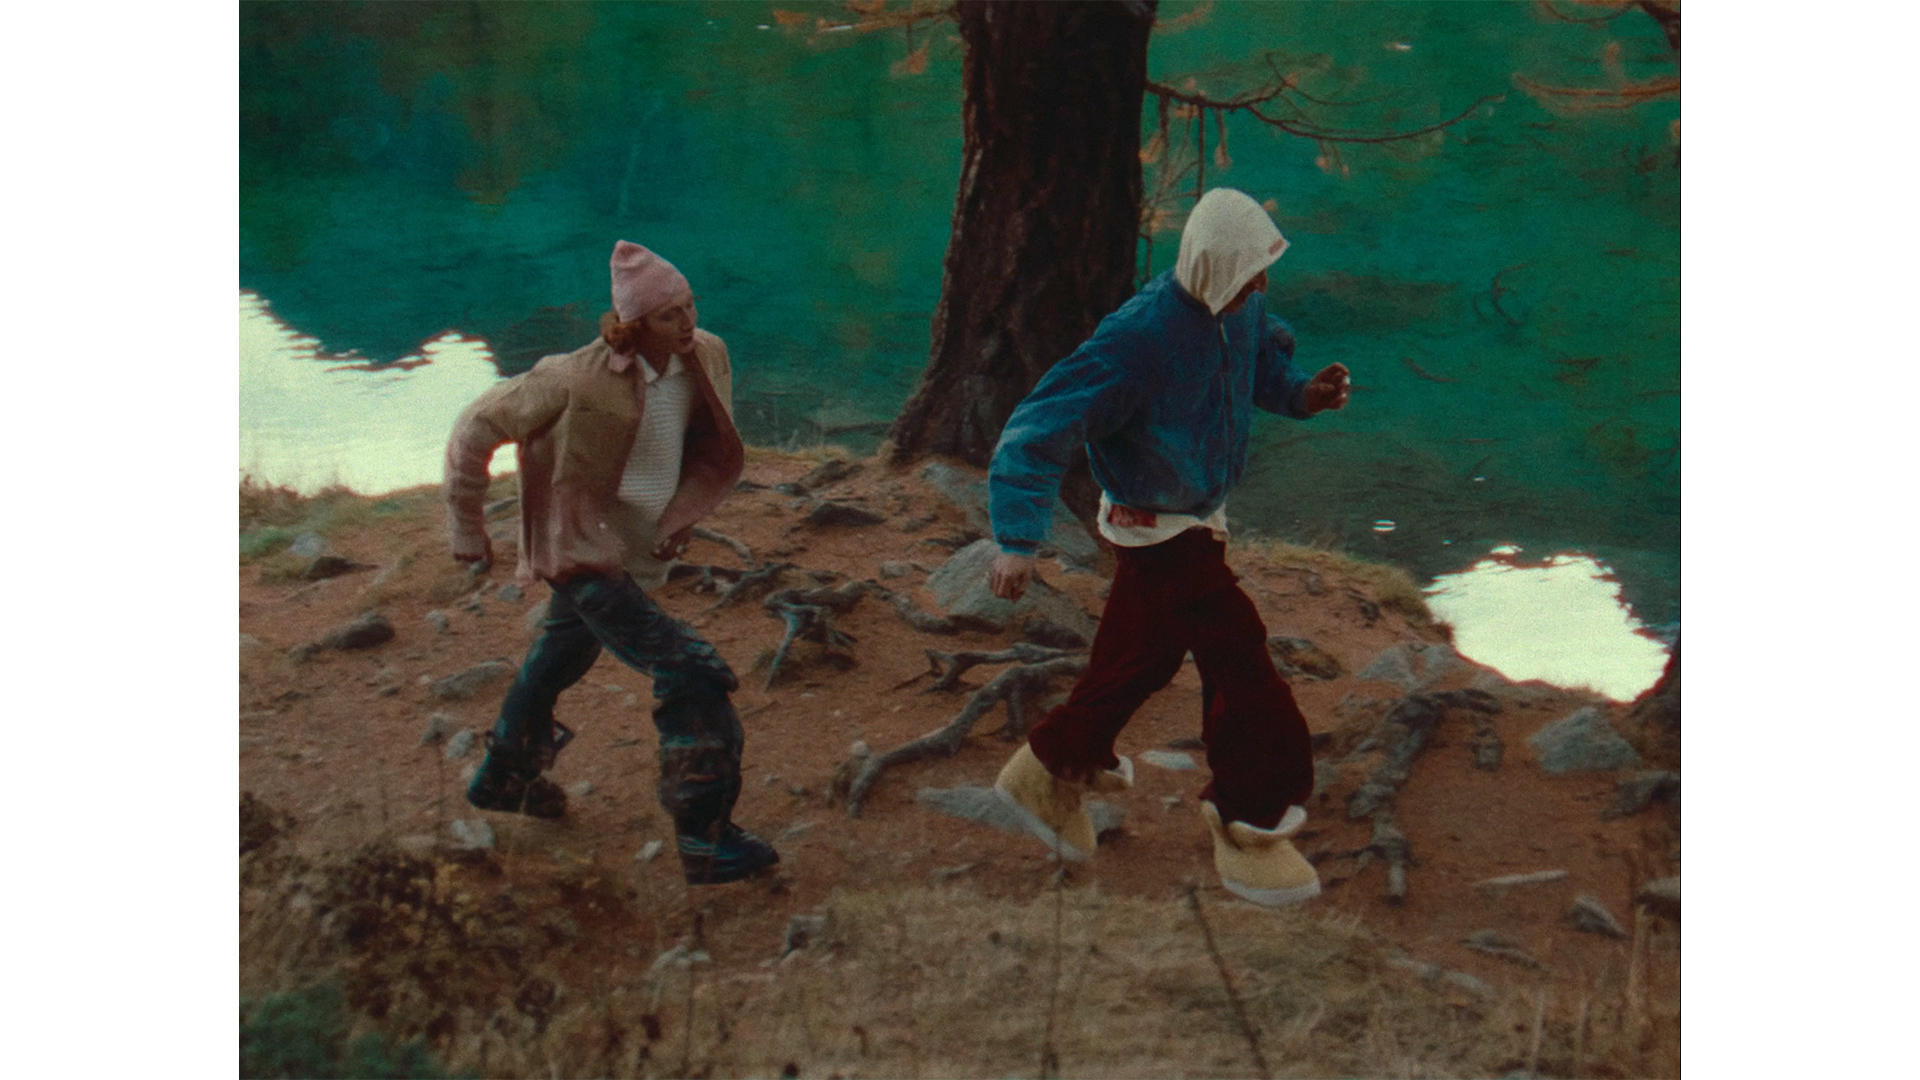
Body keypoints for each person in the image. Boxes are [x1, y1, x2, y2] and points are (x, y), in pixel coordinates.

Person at [985, 188, 1351, 907]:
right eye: (1248, 271)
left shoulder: (1237, 309)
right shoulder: (1136, 341)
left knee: (1139, 660)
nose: (1261, 286)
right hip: (1154, 529)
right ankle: (1251, 827)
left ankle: (1047, 773)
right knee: (1241, 664)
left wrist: (1303, 395)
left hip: (1200, 518)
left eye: (1263, 269)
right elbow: (1038, 427)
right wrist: (1017, 539)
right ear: (1213, 264)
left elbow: (1256, 370)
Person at [443, 240, 779, 885]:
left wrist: (679, 515)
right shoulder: (570, 378)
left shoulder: (707, 354)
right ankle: (705, 837)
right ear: (632, 324)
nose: (687, 323)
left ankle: (504, 775)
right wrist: (466, 526)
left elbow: (702, 442)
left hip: (635, 550)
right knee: (691, 671)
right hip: (581, 551)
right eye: (669, 315)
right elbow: (474, 428)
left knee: (561, 652)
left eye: (690, 306)